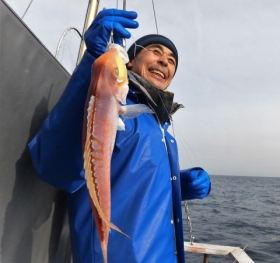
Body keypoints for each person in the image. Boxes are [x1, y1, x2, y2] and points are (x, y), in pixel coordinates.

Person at [28, 9, 211, 263]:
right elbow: (55, 167)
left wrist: (179, 184)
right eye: (156, 51)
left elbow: (133, 180)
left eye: (171, 61)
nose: (164, 61)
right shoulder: (114, 107)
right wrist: (94, 64)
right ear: (130, 62)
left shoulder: (159, 126)